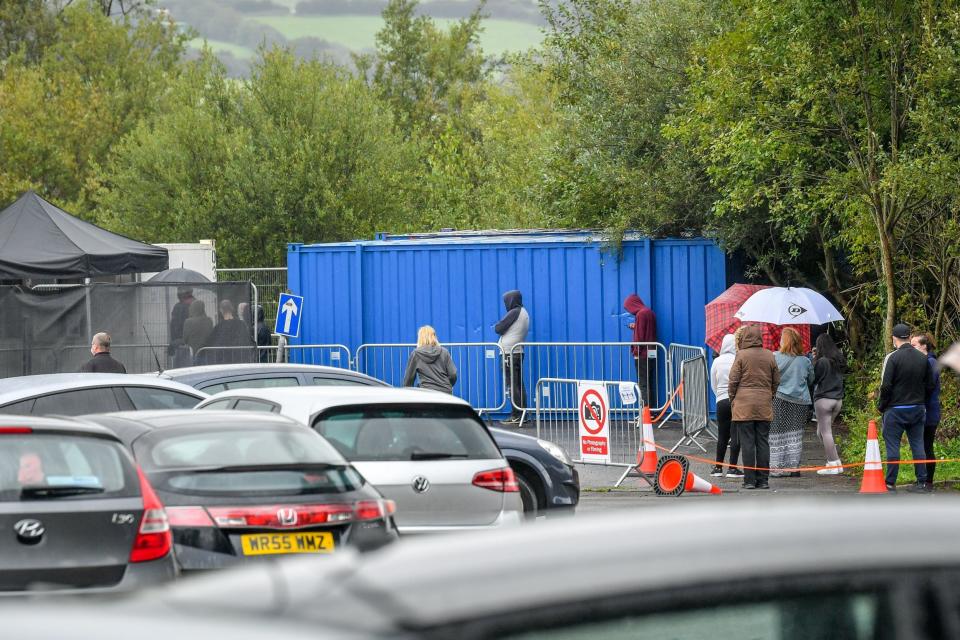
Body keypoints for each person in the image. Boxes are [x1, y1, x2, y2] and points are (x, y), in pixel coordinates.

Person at [878, 323, 935, 492]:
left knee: (893, 446)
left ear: (894, 339)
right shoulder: (923, 358)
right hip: (917, 408)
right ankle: (922, 481)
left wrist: (882, 406)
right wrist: (921, 400)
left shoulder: (893, 358)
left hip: (895, 409)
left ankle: (890, 482)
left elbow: (886, 385)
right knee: (918, 445)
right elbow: (930, 385)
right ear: (909, 338)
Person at [727, 324, 780, 490]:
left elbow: (733, 380)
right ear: (759, 338)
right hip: (764, 403)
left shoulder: (741, 355)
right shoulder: (769, 355)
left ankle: (749, 480)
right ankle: (763, 480)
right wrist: (770, 394)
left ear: (744, 338)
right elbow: (776, 379)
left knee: (748, 443)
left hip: (743, 406)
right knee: (763, 442)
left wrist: (733, 398)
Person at [769, 328, 814, 477]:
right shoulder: (805, 361)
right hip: (800, 402)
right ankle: (793, 468)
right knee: (795, 435)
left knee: (777, 433)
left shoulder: (774, 357)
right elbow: (811, 380)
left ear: (785, 341)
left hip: (779, 400)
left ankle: (776, 468)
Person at [710, 333, 743, 478]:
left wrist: (719, 395)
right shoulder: (738, 359)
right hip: (736, 400)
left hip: (721, 400)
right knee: (735, 434)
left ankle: (717, 467)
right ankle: (732, 468)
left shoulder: (717, 361)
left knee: (722, 435)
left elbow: (713, 383)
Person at [812, 333, 846, 475]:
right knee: (821, 432)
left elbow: (814, 379)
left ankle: (832, 464)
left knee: (826, 432)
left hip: (824, 399)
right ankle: (835, 461)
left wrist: (814, 360)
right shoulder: (838, 360)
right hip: (837, 400)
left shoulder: (822, 362)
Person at [911, 332, 941, 487]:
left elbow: (928, 387)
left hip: (929, 411)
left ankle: (927, 481)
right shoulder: (925, 361)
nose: (911, 348)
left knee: (926, 446)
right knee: (922, 445)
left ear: (924, 346)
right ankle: (923, 480)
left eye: (914, 345)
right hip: (925, 409)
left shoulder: (930, 362)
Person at [495, 290, 530, 425]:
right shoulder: (524, 312)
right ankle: (522, 414)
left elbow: (498, 328)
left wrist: (499, 325)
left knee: (512, 384)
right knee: (519, 384)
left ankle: (516, 415)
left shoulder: (514, 312)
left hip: (509, 353)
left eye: (506, 301)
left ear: (511, 300)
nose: (505, 304)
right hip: (517, 351)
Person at [623, 293, 657, 405]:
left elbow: (640, 337)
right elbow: (647, 330)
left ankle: (645, 412)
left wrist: (636, 352)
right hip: (652, 352)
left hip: (642, 354)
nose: (630, 311)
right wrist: (636, 326)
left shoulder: (640, 315)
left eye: (629, 308)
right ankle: (652, 411)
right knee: (650, 382)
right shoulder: (649, 312)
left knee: (643, 383)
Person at [402, 326, 458, 394]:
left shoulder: (416, 354)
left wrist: (408, 394)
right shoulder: (444, 352)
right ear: (434, 337)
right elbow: (453, 374)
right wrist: (447, 385)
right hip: (445, 392)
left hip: (426, 393)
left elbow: (408, 379)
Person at [200, 300, 255, 364]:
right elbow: (248, 339)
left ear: (221, 310)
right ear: (232, 309)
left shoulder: (219, 327)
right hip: (240, 358)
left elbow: (211, 341)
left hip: (224, 360)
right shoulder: (241, 324)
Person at [168, 287, 195, 354]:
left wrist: (174, 341)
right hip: (188, 342)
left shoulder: (178, 307)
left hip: (180, 341)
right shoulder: (194, 304)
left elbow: (174, 326)